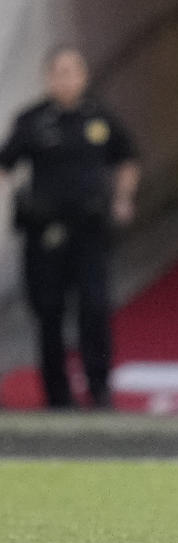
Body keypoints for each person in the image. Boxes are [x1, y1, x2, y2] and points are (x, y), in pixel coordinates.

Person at [0, 46, 140, 408]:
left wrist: (123, 199)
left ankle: (99, 387)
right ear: (48, 78)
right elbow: (6, 163)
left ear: (83, 76)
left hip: (90, 232)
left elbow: (127, 158)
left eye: (72, 71)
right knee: (48, 311)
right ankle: (57, 395)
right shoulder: (33, 120)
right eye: (58, 72)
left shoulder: (99, 118)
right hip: (44, 234)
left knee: (94, 307)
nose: (65, 79)